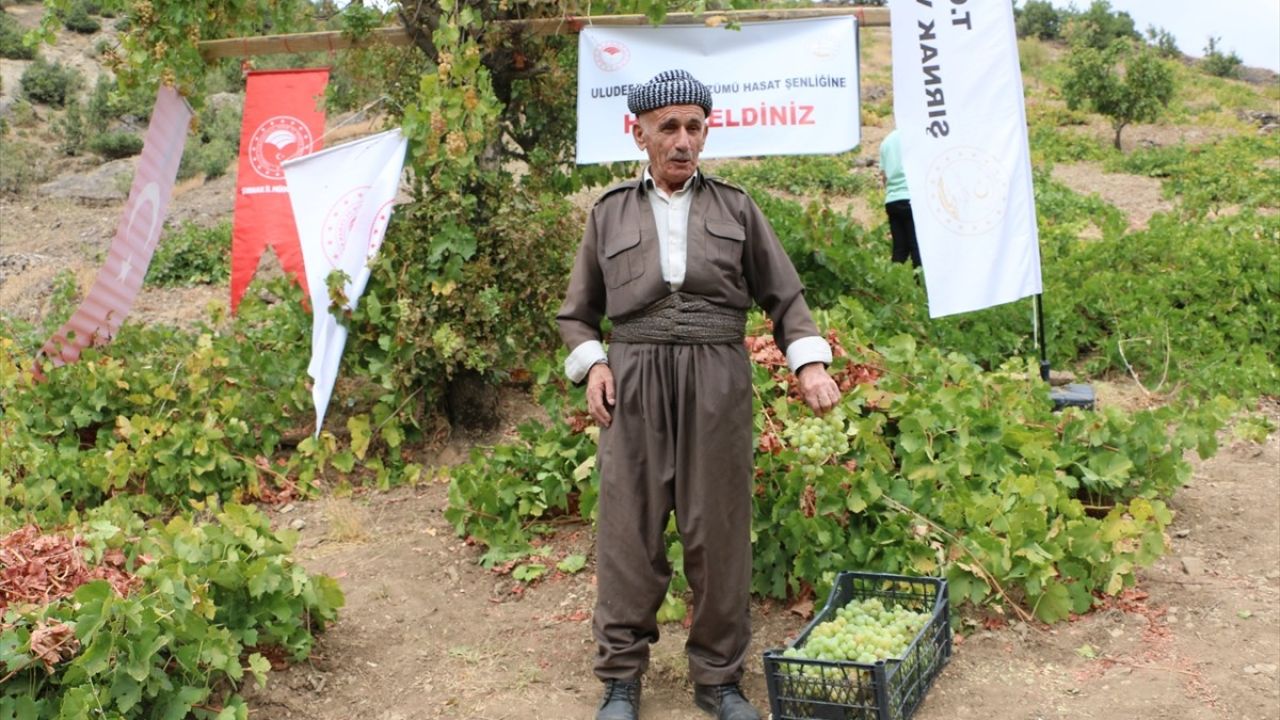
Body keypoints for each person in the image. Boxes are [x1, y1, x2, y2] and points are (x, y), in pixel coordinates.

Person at [557, 69, 841, 720]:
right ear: (640, 134)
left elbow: (786, 297)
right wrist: (594, 366)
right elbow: (578, 314)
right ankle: (622, 681)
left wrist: (809, 366)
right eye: (669, 128)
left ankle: (718, 682)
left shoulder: (737, 208)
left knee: (718, 530)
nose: (684, 141)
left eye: (695, 127)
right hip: (634, 381)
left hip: (717, 378)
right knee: (630, 533)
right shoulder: (609, 214)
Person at [879, 129, 923, 268]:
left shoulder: (886, 142)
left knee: (900, 248)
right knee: (917, 245)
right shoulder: (914, 136)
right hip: (911, 198)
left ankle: (892, 283)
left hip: (892, 200)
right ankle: (920, 284)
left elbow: (884, 176)